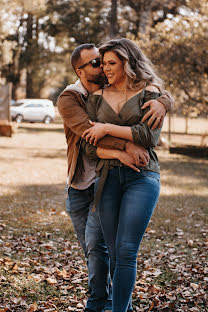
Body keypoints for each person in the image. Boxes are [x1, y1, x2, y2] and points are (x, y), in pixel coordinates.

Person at [57, 42, 173, 312]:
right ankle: (100, 303)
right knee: (97, 250)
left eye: (106, 61)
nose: (102, 66)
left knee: (119, 250)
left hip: (119, 177)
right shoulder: (71, 98)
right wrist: (125, 149)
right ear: (80, 70)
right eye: (97, 63)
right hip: (84, 181)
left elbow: (149, 128)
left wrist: (165, 101)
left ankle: (113, 305)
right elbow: (90, 136)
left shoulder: (141, 92)